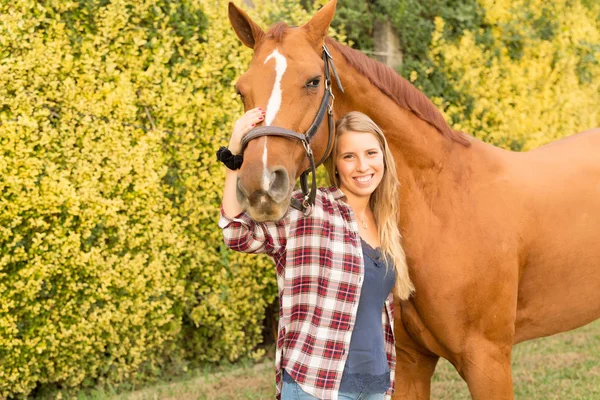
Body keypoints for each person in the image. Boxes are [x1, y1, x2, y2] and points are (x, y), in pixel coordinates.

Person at [218, 109, 414, 400]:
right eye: (349, 156)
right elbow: (237, 233)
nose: (363, 166)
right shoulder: (310, 210)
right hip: (316, 385)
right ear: (335, 165)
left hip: (375, 385)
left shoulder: (385, 223)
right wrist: (233, 154)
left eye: (371, 153)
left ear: (383, 157)